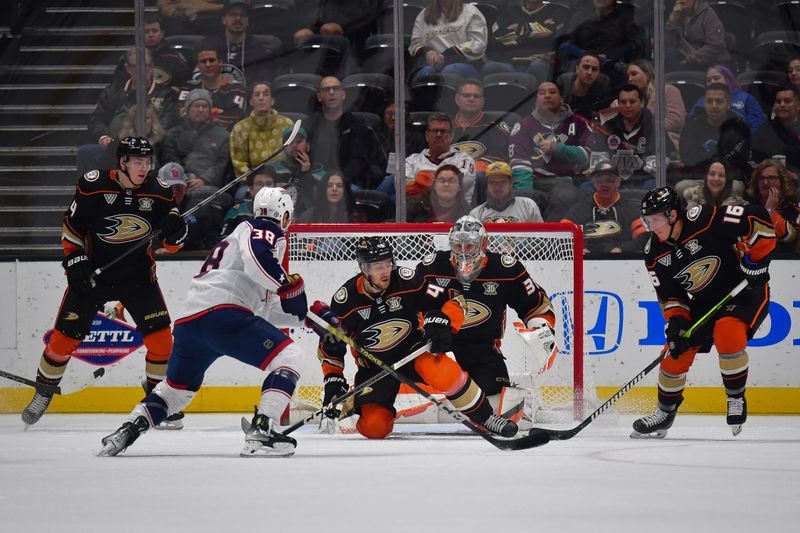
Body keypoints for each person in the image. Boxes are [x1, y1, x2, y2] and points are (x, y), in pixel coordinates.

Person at [98, 187, 319, 457]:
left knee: (176, 391)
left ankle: (128, 428)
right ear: (283, 215)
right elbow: (257, 260)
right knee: (291, 356)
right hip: (223, 315)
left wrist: (307, 318)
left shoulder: (236, 243)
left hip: (192, 323)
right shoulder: (263, 229)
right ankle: (262, 430)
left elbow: (263, 306)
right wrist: (286, 285)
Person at [21, 137, 189, 427]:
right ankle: (43, 393)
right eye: (138, 162)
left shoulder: (160, 192)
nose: (144, 167)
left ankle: (157, 400)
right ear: (122, 163)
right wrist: (75, 263)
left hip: (138, 278)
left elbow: (174, 245)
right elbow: (72, 229)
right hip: (93, 276)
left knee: (162, 341)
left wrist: (175, 232)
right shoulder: (93, 185)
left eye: (148, 162)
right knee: (62, 341)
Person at [316, 236, 518, 439]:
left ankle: (487, 418)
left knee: (443, 371)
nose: (386, 271)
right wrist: (333, 379)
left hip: (413, 353)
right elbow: (331, 345)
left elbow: (453, 298)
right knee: (374, 428)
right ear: (363, 268)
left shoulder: (407, 280)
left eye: (388, 263)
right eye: (378, 266)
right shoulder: (345, 301)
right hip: (375, 368)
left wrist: (443, 321)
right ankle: (358, 401)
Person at [632, 186, 775, 439]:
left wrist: (756, 263)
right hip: (705, 302)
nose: (651, 226)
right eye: (648, 220)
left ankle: (735, 398)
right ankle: (665, 413)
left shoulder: (703, 219)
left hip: (744, 290)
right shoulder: (654, 254)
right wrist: (675, 325)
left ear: (673, 214)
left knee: (727, 330)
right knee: (674, 354)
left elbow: (756, 216)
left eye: (655, 219)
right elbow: (671, 296)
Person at [412, 215, 558, 424]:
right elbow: (408, 304)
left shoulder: (507, 269)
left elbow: (535, 305)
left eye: (469, 246)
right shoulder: (432, 267)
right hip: (437, 346)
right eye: (458, 246)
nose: (463, 252)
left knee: (495, 401)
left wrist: (540, 329)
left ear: (483, 243)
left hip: (482, 349)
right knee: (416, 392)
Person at [78, 48, 179, 176]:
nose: (142, 70)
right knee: (85, 152)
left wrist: (150, 137)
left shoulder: (166, 94)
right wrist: (103, 137)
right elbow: (96, 119)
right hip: (115, 147)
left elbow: (167, 123)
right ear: (127, 68)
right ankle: (91, 194)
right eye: (136, 66)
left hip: (151, 146)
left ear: (152, 67)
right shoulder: (112, 92)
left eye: (146, 66)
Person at [508, 81, 593, 221]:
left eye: (552, 92)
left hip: (563, 180)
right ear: (536, 100)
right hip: (532, 179)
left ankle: (552, 238)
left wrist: (557, 148)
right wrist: (526, 193)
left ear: (562, 98)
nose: (547, 96)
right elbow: (519, 163)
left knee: (565, 195)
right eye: (542, 93)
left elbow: (587, 157)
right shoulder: (524, 125)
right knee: (522, 198)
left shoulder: (579, 123)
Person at [305, 76, 386, 191]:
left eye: (336, 88)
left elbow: (360, 160)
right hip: (315, 181)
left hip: (348, 182)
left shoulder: (358, 125)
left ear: (343, 94)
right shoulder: (311, 124)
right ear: (319, 96)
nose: (332, 93)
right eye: (327, 89)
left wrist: (339, 180)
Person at [162, 88, 232, 209]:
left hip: (209, 187)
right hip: (179, 185)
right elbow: (170, 160)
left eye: (204, 106)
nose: (200, 110)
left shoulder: (223, 135)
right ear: (188, 109)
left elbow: (222, 165)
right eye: (196, 106)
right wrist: (184, 179)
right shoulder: (173, 134)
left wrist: (203, 180)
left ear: (209, 110)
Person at [561, 162, 645, 255]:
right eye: (599, 180)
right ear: (593, 183)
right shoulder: (580, 208)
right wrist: (578, 248)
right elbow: (563, 236)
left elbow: (644, 237)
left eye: (609, 180)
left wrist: (622, 249)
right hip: (587, 262)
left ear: (618, 182)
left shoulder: (631, 209)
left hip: (621, 260)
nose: (604, 184)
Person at [557, 0, 645, 84]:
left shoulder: (626, 16)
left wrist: (608, 55)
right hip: (582, 65)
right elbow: (566, 39)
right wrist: (584, 55)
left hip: (613, 67)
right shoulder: (581, 15)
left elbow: (634, 45)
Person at [481, 0, 567, 81]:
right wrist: (532, 33)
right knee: (489, 67)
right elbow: (498, 36)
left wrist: (517, 30)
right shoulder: (509, 12)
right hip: (509, 62)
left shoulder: (556, 11)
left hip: (538, 61)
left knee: (537, 66)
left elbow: (549, 32)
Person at [679, 83, 751, 178]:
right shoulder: (691, 126)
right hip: (698, 177)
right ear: (704, 103)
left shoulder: (739, 127)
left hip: (730, 178)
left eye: (719, 101)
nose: (714, 106)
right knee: (682, 187)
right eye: (709, 101)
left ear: (729, 104)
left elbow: (741, 161)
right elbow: (688, 159)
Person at [403, 112, 476, 204]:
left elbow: (462, 183)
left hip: (456, 213)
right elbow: (403, 188)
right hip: (420, 213)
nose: (438, 135)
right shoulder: (411, 160)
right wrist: (446, 180)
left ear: (451, 136)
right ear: (427, 135)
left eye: (443, 131)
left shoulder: (464, 159)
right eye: (434, 131)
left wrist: (422, 179)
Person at [199, 0, 277, 85]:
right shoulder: (209, 46)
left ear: (248, 22)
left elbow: (263, 84)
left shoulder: (259, 52)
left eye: (242, 15)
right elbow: (198, 80)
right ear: (224, 19)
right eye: (233, 14)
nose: (238, 18)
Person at [408, 0, 488, 79]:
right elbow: (414, 45)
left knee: (449, 70)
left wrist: (447, 56)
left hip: (467, 64)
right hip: (434, 66)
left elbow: (478, 44)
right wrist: (427, 51)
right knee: (424, 73)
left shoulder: (470, 11)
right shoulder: (423, 15)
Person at [230, 81, 293, 177]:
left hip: (284, 180)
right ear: (251, 101)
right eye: (257, 95)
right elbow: (239, 164)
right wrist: (255, 182)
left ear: (272, 100)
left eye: (266, 94)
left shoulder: (287, 124)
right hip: (253, 183)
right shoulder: (240, 129)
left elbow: (293, 157)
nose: (261, 98)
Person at [177, 45, 246, 131]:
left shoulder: (236, 89)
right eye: (203, 61)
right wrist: (216, 111)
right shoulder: (187, 88)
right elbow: (182, 113)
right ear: (198, 65)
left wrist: (199, 114)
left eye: (212, 60)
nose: (208, 64)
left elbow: (233, 117)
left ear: (220, 62)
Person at [623, 59, 686, 153]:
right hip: (636, 149)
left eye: (634, 74)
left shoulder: (669, 91)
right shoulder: (632, 102)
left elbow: (675, 121)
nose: (630, 79)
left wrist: (645, 129)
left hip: (665, 148)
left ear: (647, 75)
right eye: (628, 76)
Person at [688, 65, 765, 135]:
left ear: (727, 79)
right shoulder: (702, 100)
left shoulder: (746, 98)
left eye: (716, 78)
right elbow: (693, 122)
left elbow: (758, 122)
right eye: (709, 80)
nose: (712, 82)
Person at [268, 126, 326, 213]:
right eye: (290, 142)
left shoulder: (320, 174)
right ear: (283, 147)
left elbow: (318, 203)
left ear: (308, 145)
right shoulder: (273, 170)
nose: (294, 145)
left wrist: (305, 173)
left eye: (299, 141)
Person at [746, 159, 800, 253]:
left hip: (786, 260)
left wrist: (770, 212)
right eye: (762, 178)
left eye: (771, 178)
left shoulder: (792, 206)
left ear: (782, 181)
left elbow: (791, 238)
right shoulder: (749, 205)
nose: (765, 183)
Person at [665, 0, 729, 71]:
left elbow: (714, 46)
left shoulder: (708, 14)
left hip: (710, 62)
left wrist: (692, 59)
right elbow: (668, 43)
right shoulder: (677, 15)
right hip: (687, 60)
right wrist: (673, 20)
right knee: (668, 54)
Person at [469, 161, 543, 223]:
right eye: (493, 183)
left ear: (511, 183)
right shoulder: (476, 215)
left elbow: (541, 237)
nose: (497, 187)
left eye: (502, 182)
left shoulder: (528, 206)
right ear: (487, 185)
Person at [752, 85, 800, 173]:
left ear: (798, 105)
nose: (782, 105)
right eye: (778, 101)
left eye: (787, 101)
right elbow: (755, 162)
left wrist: (797, 176)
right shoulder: (763, 132)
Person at [555, 52, 615, 122]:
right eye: (586, 67)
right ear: (577, 69)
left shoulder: (602, 87)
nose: (589, 72)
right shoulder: (563, 82)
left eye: (594, 69)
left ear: (598, 73)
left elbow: (602, 116)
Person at [220, 167, 274, 238]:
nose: (265, 188)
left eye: (269, 184)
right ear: (251, 189)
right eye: (259, 184)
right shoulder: (237, 212)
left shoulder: (286, 211)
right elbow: (226, 242)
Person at [407, 164, 471, 223]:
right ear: (434, 185)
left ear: (459, 187)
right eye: (441, 180)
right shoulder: (419, 204)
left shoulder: (465, 211)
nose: (446, 184)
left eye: (451, 181)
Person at [297, 171, 366, 223]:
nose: (334, 189)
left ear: (345, 191)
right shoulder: (308, 217)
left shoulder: (356, 217)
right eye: (329, 185)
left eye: (339, 186)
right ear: (323, 190)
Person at [682, 158, 747, 209]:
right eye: (712, 174)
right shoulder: (690, 199)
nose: (716, 179)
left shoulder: (739, 205)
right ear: (706, 177)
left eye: (721, 175)